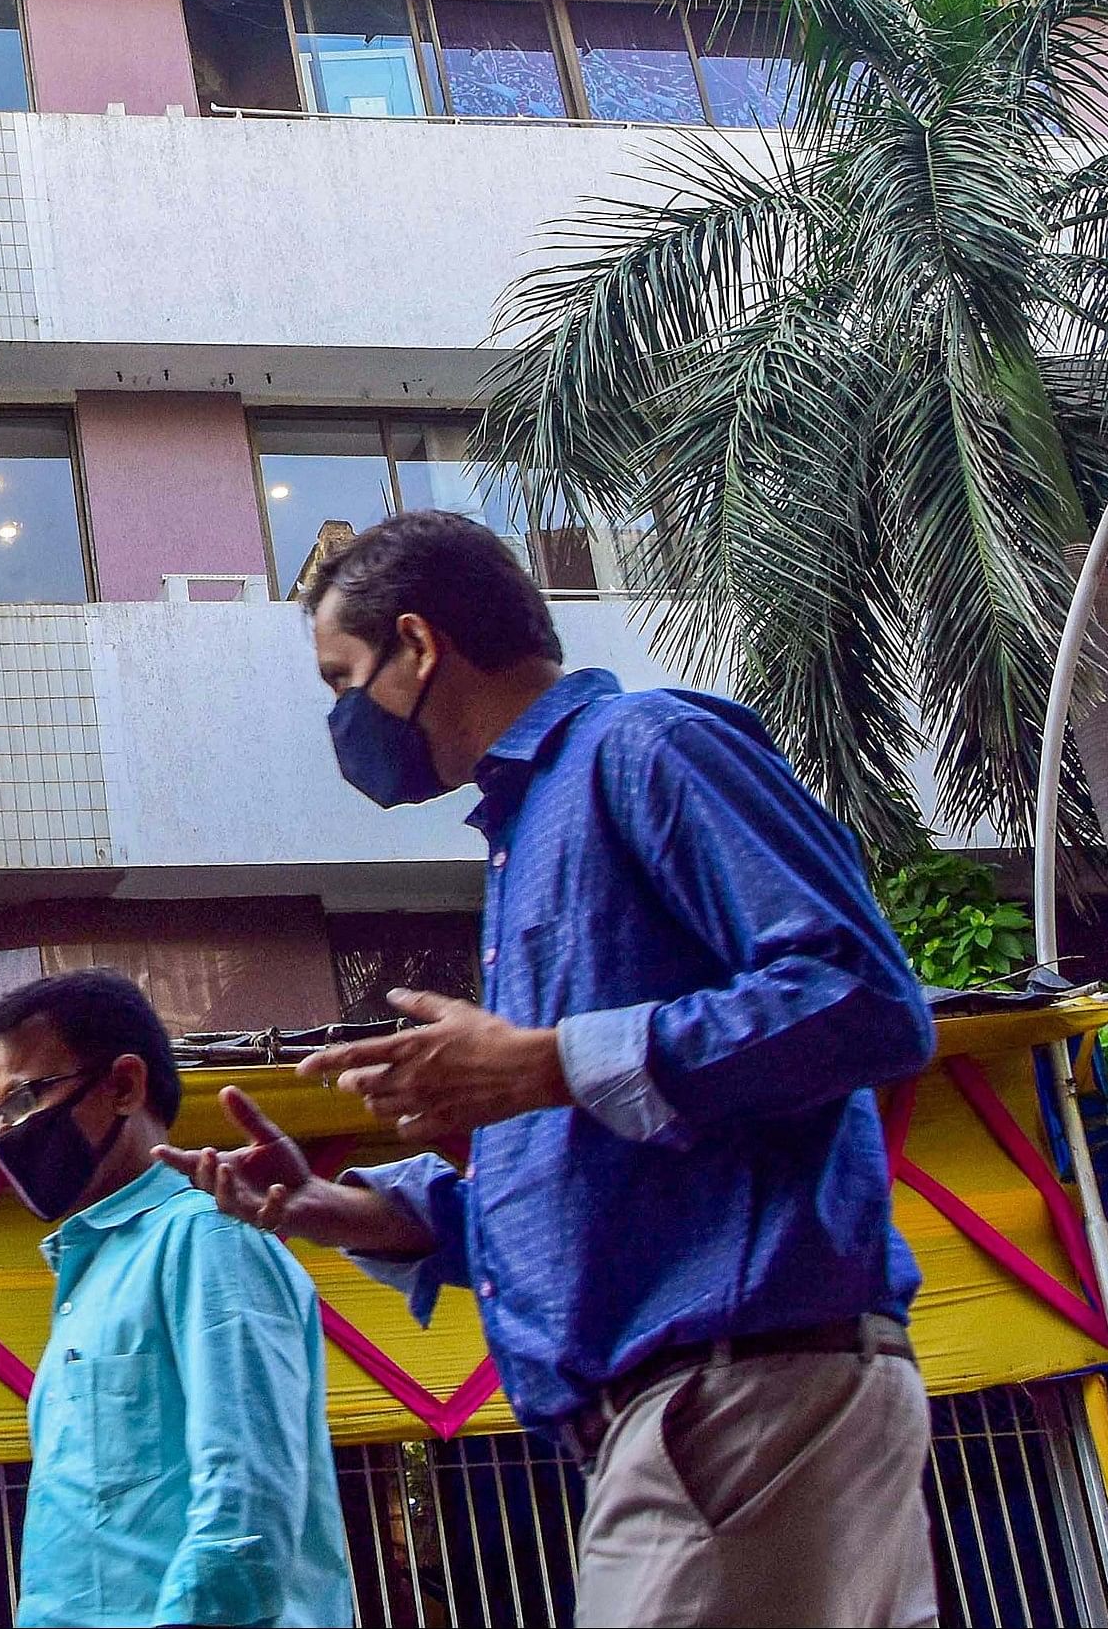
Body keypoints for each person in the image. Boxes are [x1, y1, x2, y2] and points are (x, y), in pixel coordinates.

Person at [157, 510, 940, 1628]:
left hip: (734, 1400)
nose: (342, 718)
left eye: (343, 677)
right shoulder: (530, 834)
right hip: (695, 1417)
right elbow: (592, 1172)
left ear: (419, 646)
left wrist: (547, 1058)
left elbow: (862, 999)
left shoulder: (647, 745)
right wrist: (356, 1209)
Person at [0, 970, 352, 1629]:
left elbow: (245, 1514)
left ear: (123, 1085)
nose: (7, 1135)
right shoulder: (88, 1283)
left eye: (24, 1100)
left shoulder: (206, 1238)